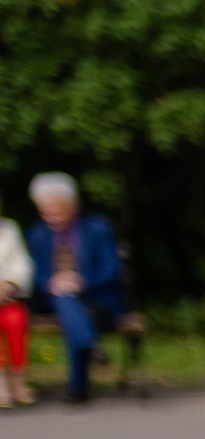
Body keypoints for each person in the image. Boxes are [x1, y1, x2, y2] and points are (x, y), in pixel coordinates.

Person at [26, 174, 127, 405]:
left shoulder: (98, 228)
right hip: (53, 299)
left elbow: (111, 269)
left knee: (70, 306)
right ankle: (89, 347)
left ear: (73, 204)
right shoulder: (38, 234)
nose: (51, 218)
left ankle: (79, 387)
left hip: (96, 297)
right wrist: (51, 282)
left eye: (57, 211)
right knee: (66, 299)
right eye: (45, 212)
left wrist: (81, 281)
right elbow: (35, 273)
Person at [0, 196, 32, 406]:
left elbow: (22, 264)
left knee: (16, 320)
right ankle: (0, 383)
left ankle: (18, 381)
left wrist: (10, 284)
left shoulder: (10, 229)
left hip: (6, 298)